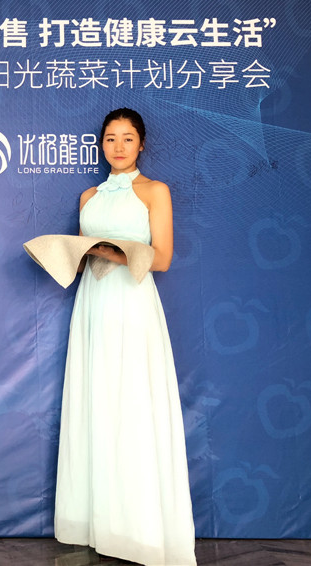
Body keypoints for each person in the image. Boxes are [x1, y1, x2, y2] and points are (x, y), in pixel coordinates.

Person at [54, 108, 196, 566]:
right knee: (95, 401)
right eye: (111, 138)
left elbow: (163, 258)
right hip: (92, 304)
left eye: (127, 138)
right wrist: (67, 254)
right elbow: (83, 259)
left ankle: (138, 531)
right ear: (101, 144)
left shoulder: (155, 190)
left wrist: (110, 252)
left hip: (132, 303)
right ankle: (97, 524)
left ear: (142, 144)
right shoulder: (88, 196)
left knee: (132, 402)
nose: (118, 146)